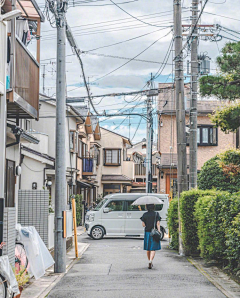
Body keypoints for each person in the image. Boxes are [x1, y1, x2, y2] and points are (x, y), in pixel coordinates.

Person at [140, 204, 161, 269]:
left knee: (148, 248)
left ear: (147, 207)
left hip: (147, 232)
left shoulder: (145, 214)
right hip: (154, 233)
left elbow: (143, 225)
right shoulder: (156, 214)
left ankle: (149, 261)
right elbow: (158, 223)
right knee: (153, 248)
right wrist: (159, 231)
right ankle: (151, 260)